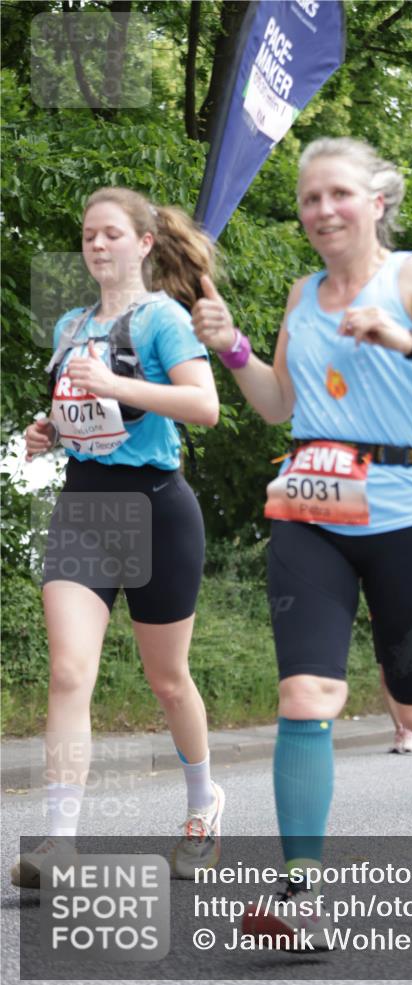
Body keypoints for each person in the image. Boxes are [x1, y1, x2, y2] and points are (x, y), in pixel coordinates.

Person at [192, 137, 412, 946]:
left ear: (376, 202)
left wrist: (406, 340)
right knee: (306, 697)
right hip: (312, 517)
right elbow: (275, 404)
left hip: (411, 521)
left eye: (338, 194)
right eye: (309, 199)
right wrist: (229, 344)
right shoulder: (303, 296)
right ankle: (301, 895)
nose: (323, 211)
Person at [11, 187, 224, 888]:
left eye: (110, 234)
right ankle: (60, 842)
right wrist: (49, 432)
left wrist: (116, 384)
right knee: (71, 673)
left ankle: (202, 806)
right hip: (85, 507)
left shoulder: (163, 319)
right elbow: (82, 413)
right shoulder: (70, 325)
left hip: (158, 507)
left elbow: (204, 407)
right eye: (87, 236)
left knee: (167, 681)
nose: (96, 245)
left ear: (142, 244)